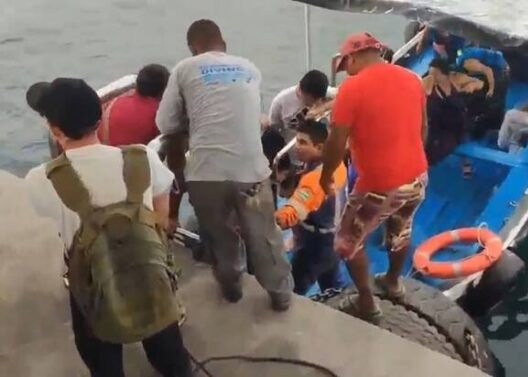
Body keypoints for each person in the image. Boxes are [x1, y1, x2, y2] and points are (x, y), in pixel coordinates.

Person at [24, 78, 192, 377]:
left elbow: (55, 225)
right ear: (99, 117)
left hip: (91, 281)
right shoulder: (143, 157)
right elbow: (163, 214)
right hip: (149, 271)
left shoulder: (41, 179)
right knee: (168, 349)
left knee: (101, 356)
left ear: (55, 130)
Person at [156, 19, 293, 310]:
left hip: (206, 175)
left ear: (193, 48)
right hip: (252, 172)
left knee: (221, 236)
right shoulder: (249, 68)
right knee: (265, 237)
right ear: (224, 45)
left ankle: (232, 287)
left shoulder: (183, 69)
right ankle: (281, 295)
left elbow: (165, 123)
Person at [320, 32, 428, 323]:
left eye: (346, 65)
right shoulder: (412, 80)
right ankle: (393, 282)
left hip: (378, 187)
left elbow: (335, 143)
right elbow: (423, 130)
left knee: (347, 243)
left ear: (352, 58)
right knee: (401, 230)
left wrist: (326, 176)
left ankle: (367, 303)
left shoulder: (351, 89)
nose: (347, 72)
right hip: (417, 177)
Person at [275, 120, 346, 295]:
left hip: (316, 244)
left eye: (303, 143)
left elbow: (294, 211)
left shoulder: (316, 180)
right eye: (297, 141)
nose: (297, 147)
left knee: (292, 288)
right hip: (334, 236)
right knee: (332, 282)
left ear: (319, 147)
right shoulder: (335, 163)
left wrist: (266, 221)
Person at [98, 64, 170, 146]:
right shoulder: (158, 114)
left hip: (103, 148)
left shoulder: (114, 101)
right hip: (127, 156)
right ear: (164, 90)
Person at [269, 69, 338, 142]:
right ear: (301, 91)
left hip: (320, 144)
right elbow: (274, 129)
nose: (313, 104)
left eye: (316, 100)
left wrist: (322, 108)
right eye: (310, 101)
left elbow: (347, 96)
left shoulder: (322, 90)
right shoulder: (280, 101)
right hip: (295, 146)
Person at [455, 46, 510, 136]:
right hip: (497, 63)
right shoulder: (463, 56)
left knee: (494, 99)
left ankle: (498, 126)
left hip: (500, 69)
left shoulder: (467, 64)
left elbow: (488, 70)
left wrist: (491, 89)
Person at [422, 58, 467, 166]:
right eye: (430, 74)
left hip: (455, 125)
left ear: (444, 74)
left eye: (435, 74)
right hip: (438, 124)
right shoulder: (429, 86)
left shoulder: (456, 81)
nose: (432, 77)